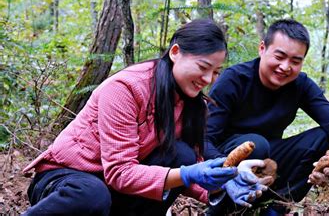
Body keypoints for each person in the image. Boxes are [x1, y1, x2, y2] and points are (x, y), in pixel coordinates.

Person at [22, 19, 265, 215]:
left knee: (182, 155)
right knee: (91, 194)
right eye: (203, 67)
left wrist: (219, 186)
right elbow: (119, 171)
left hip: (114, 189)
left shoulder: (194, 106)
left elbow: (190, 170)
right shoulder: (126, 88)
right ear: (175, 52)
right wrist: (188, 172)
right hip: (68, 181)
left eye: (215, 72)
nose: (208, 79)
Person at [204, 19, 329, 214]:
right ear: (262, 49)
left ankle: (276, 208)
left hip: (269, 161)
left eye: (295, 61)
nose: (285, 67)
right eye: (280, 56)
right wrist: (227, 171)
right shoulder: (234, 80)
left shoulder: (301, 85)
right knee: (256, 145)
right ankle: (223, 210)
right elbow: (205, 139)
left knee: (325, 137)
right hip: (229, 161)